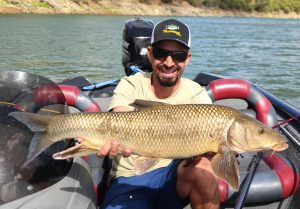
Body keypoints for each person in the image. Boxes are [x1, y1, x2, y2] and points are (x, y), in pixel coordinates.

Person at [99, 19, 220, 209]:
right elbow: (120, 119)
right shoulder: (130, 84)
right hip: (130, 178)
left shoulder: (196, 93)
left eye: (178, 55)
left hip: (174, 175)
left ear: (187, 58)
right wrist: (108, 139)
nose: (169, 62)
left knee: (204, 168)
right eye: (161, 53)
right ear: (149, 54)